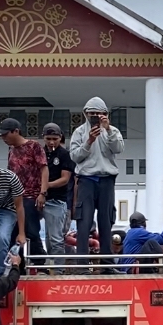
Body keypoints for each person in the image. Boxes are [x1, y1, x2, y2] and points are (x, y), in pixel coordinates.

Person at [69, 97, 125, 264]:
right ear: (85, 114)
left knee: (106, 222)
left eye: (99, 114)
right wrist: (89, 141)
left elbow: (119, 149)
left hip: (107, 180)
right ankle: (82, 264)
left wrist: (107, 130)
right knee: (84, 222)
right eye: (91, 113)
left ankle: (108, 263)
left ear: (105, 114)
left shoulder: (112, 130)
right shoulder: (79, 132)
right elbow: (74, 156)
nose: (94, 116)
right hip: (87, 180)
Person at [0, 118, 48, 262]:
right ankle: (17, 266)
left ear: (16, 131)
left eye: (6, 135)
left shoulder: (34, 146)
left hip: (31, 195)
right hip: (14, 198)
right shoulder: (11, 150)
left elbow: (44, 169)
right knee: (12, 232)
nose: (3, 138)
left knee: (31, 230)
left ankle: (40, 263)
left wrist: (42, 193)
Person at [41, 123, 75, 269]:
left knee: (56, 239)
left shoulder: (64, 154)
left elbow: (65, 179)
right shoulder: (40, 152)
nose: (51, 142)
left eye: (54, 138)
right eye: (48, 138)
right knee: (47, 238)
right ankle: (50, 266)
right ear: (43, 138)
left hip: (56, 200)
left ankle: (58, 269)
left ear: (60, 137)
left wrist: (45, 185)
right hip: (40, 199)